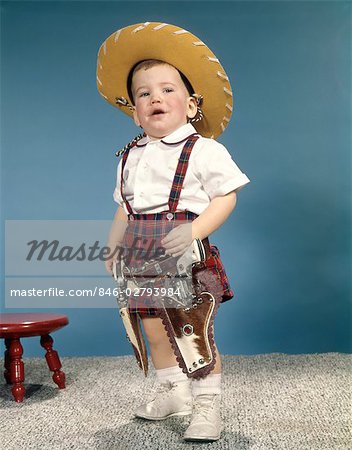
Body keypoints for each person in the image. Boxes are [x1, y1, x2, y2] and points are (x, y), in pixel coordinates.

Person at [97, 22, 250, 442]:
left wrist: (195, 229)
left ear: (191, 104)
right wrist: (112, 248)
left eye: (167, 90)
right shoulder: (129, 156)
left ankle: (207, 402)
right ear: (134, 110)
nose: (155, 99)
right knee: (151, 326)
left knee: (190, 327)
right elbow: (124, 208)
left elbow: (226, 197)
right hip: (139, 255)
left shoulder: (203, 149)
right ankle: (173, 391)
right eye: (143, 94)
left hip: (183, 255)